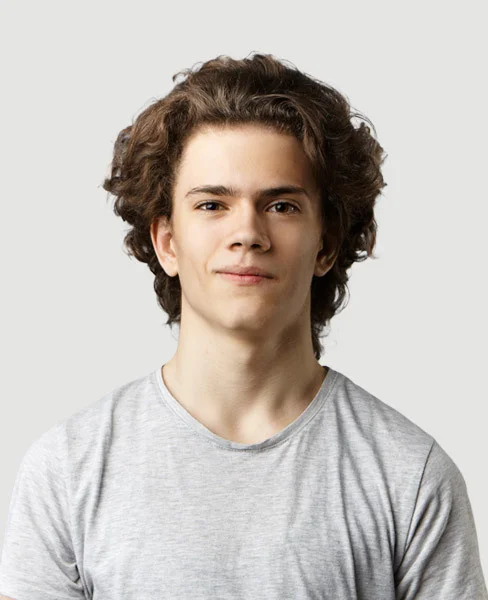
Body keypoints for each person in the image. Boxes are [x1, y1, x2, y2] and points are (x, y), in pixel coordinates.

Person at [0, 52, 486, 600]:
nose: (247, 233)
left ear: (326, 244)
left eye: (281, 206)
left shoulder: (412, 476)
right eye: (212, 205)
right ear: (167, 242)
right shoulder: (66, 470)